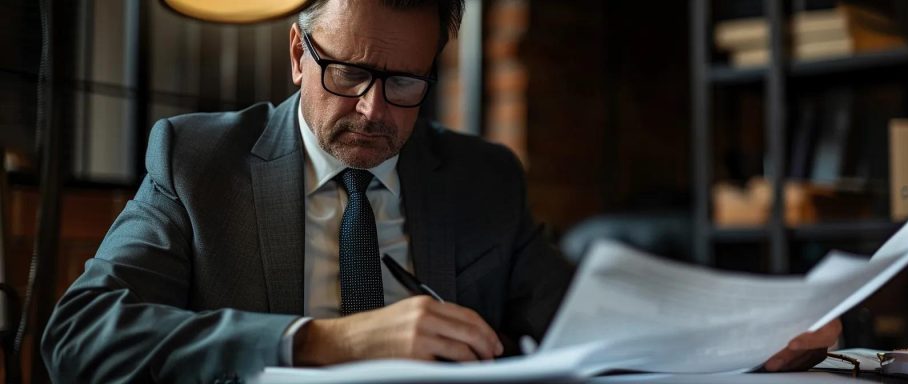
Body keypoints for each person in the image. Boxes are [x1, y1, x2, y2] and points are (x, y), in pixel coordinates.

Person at [40, 0, 841, 382]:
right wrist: (323, 341)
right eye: (347, 72)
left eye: (405, 83)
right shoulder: (199, 159)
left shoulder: (483, 179)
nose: (372, 111)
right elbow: (80, 336)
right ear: (296, 54)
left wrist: (739, 343)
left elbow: (588, 320)